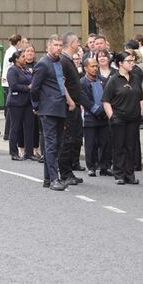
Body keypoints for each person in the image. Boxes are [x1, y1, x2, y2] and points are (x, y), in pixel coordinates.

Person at [31, 34, 69, 191]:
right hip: (48, 109)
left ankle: (48, 179)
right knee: (52, 144)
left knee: (57, 144)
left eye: (60, 45)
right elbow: (34, 88)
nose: (58, 48)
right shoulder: (43, 64)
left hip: (60, 108)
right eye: (55, 45)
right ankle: (54, 179)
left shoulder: (59, 62)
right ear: (48, 47)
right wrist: (36, 105)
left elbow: (60, 84)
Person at [102, 52, 143, 185]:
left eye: (133, 61)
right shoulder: (113, 80)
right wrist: (112, 117)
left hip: (133, 118)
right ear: (120, 63)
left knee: (131, 147)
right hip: (119, 118)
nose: (132, 63)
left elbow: (141, 97)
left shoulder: (135, 78)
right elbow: (106, 100)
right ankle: (119, 174)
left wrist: (141, 113)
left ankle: (129, 174)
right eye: (129, 61)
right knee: (119, 146)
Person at [59, 32, 84, 184]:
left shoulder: (68, 61)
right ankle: (65, 173)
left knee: (73, 139)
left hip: (75, 106)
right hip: (69, 107)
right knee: (67, 140)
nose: (79, 44)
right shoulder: (64, 61)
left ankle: (69, 171)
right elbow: (62, 84)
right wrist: (70, 102)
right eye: (77, 41)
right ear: (72, 43)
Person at [80, 57, 112, 177]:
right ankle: (91, 167)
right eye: (92, 66)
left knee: (105, 143)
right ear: (85, 68)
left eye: (96, 66)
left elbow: (107, 97)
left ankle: (105, 167)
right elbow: (84, 100)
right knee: (91, 144)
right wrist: (97, 111)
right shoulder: (82, 82)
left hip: (104, 117)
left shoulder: (103, 81)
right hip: (90, 117)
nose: (95, 68)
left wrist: (104, 111)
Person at [6, 50, 35, 161]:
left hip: (28, 102)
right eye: (23, 57)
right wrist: (27, 87)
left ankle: (29, 152)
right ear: (16, 59)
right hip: (16, 103)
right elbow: (13, 86)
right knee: (15, 127)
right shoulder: (12, 70)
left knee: (29, 127)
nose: (25, 58)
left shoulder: (26, 69)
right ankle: (14, 152)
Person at [1, 34, 23, 141]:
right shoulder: (13, 52)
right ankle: (8, 133)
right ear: (18, 42)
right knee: (10, 110)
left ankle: (8, 132)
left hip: (7, 82)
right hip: (9, 83)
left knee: (10, 110)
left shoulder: (10, 50)